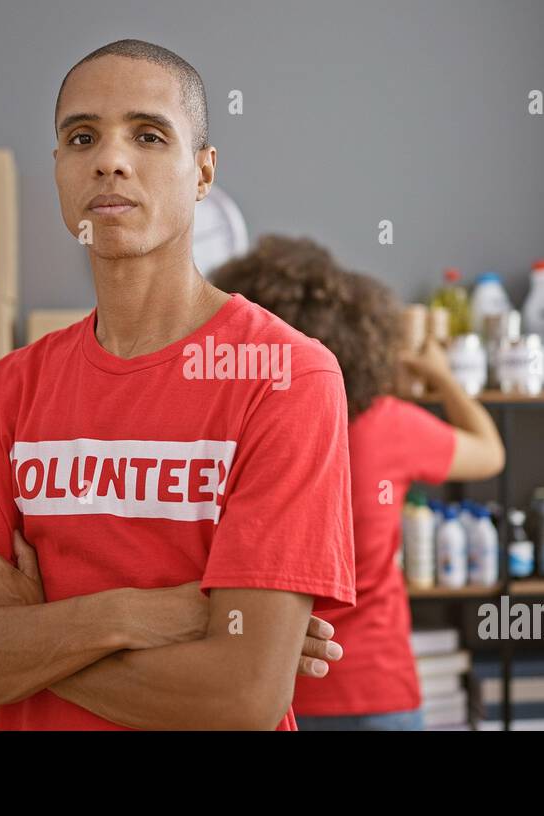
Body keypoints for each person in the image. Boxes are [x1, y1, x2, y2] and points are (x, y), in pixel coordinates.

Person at [0, 40, 356, 730]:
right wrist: (129, 614)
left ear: (203, 172)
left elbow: (241, 696)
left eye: (148, 134)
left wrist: (27, 623)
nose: (110, 158)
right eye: (82, 137)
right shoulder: (8, 389)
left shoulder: (287, 376)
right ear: (58, 170)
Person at [210, 235, 505, 730]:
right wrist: (443, 378)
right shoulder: (391, 425)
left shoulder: (230, 434)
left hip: (265, 691)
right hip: (376, 691)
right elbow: (490, 452)